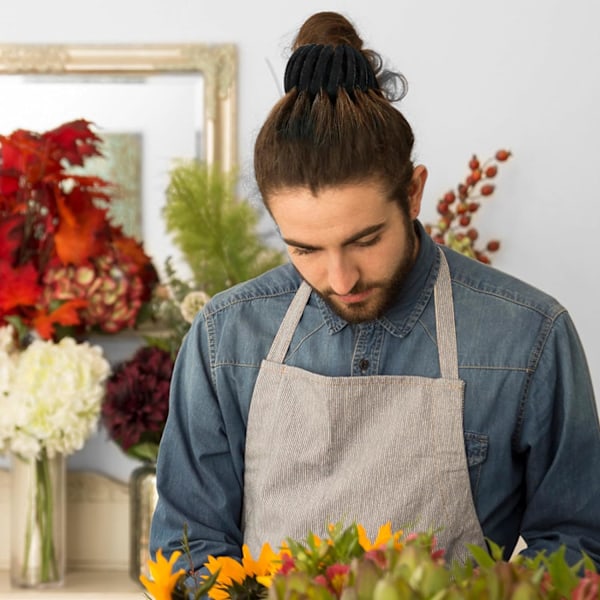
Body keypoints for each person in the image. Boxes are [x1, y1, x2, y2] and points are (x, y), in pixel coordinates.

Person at [150, 10, 600, 577]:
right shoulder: (226, 336)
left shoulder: (529, 336)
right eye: (305, 249)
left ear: (413, 194)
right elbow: (187, 547)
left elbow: (579, 544)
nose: (340, 279)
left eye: (365, 240)